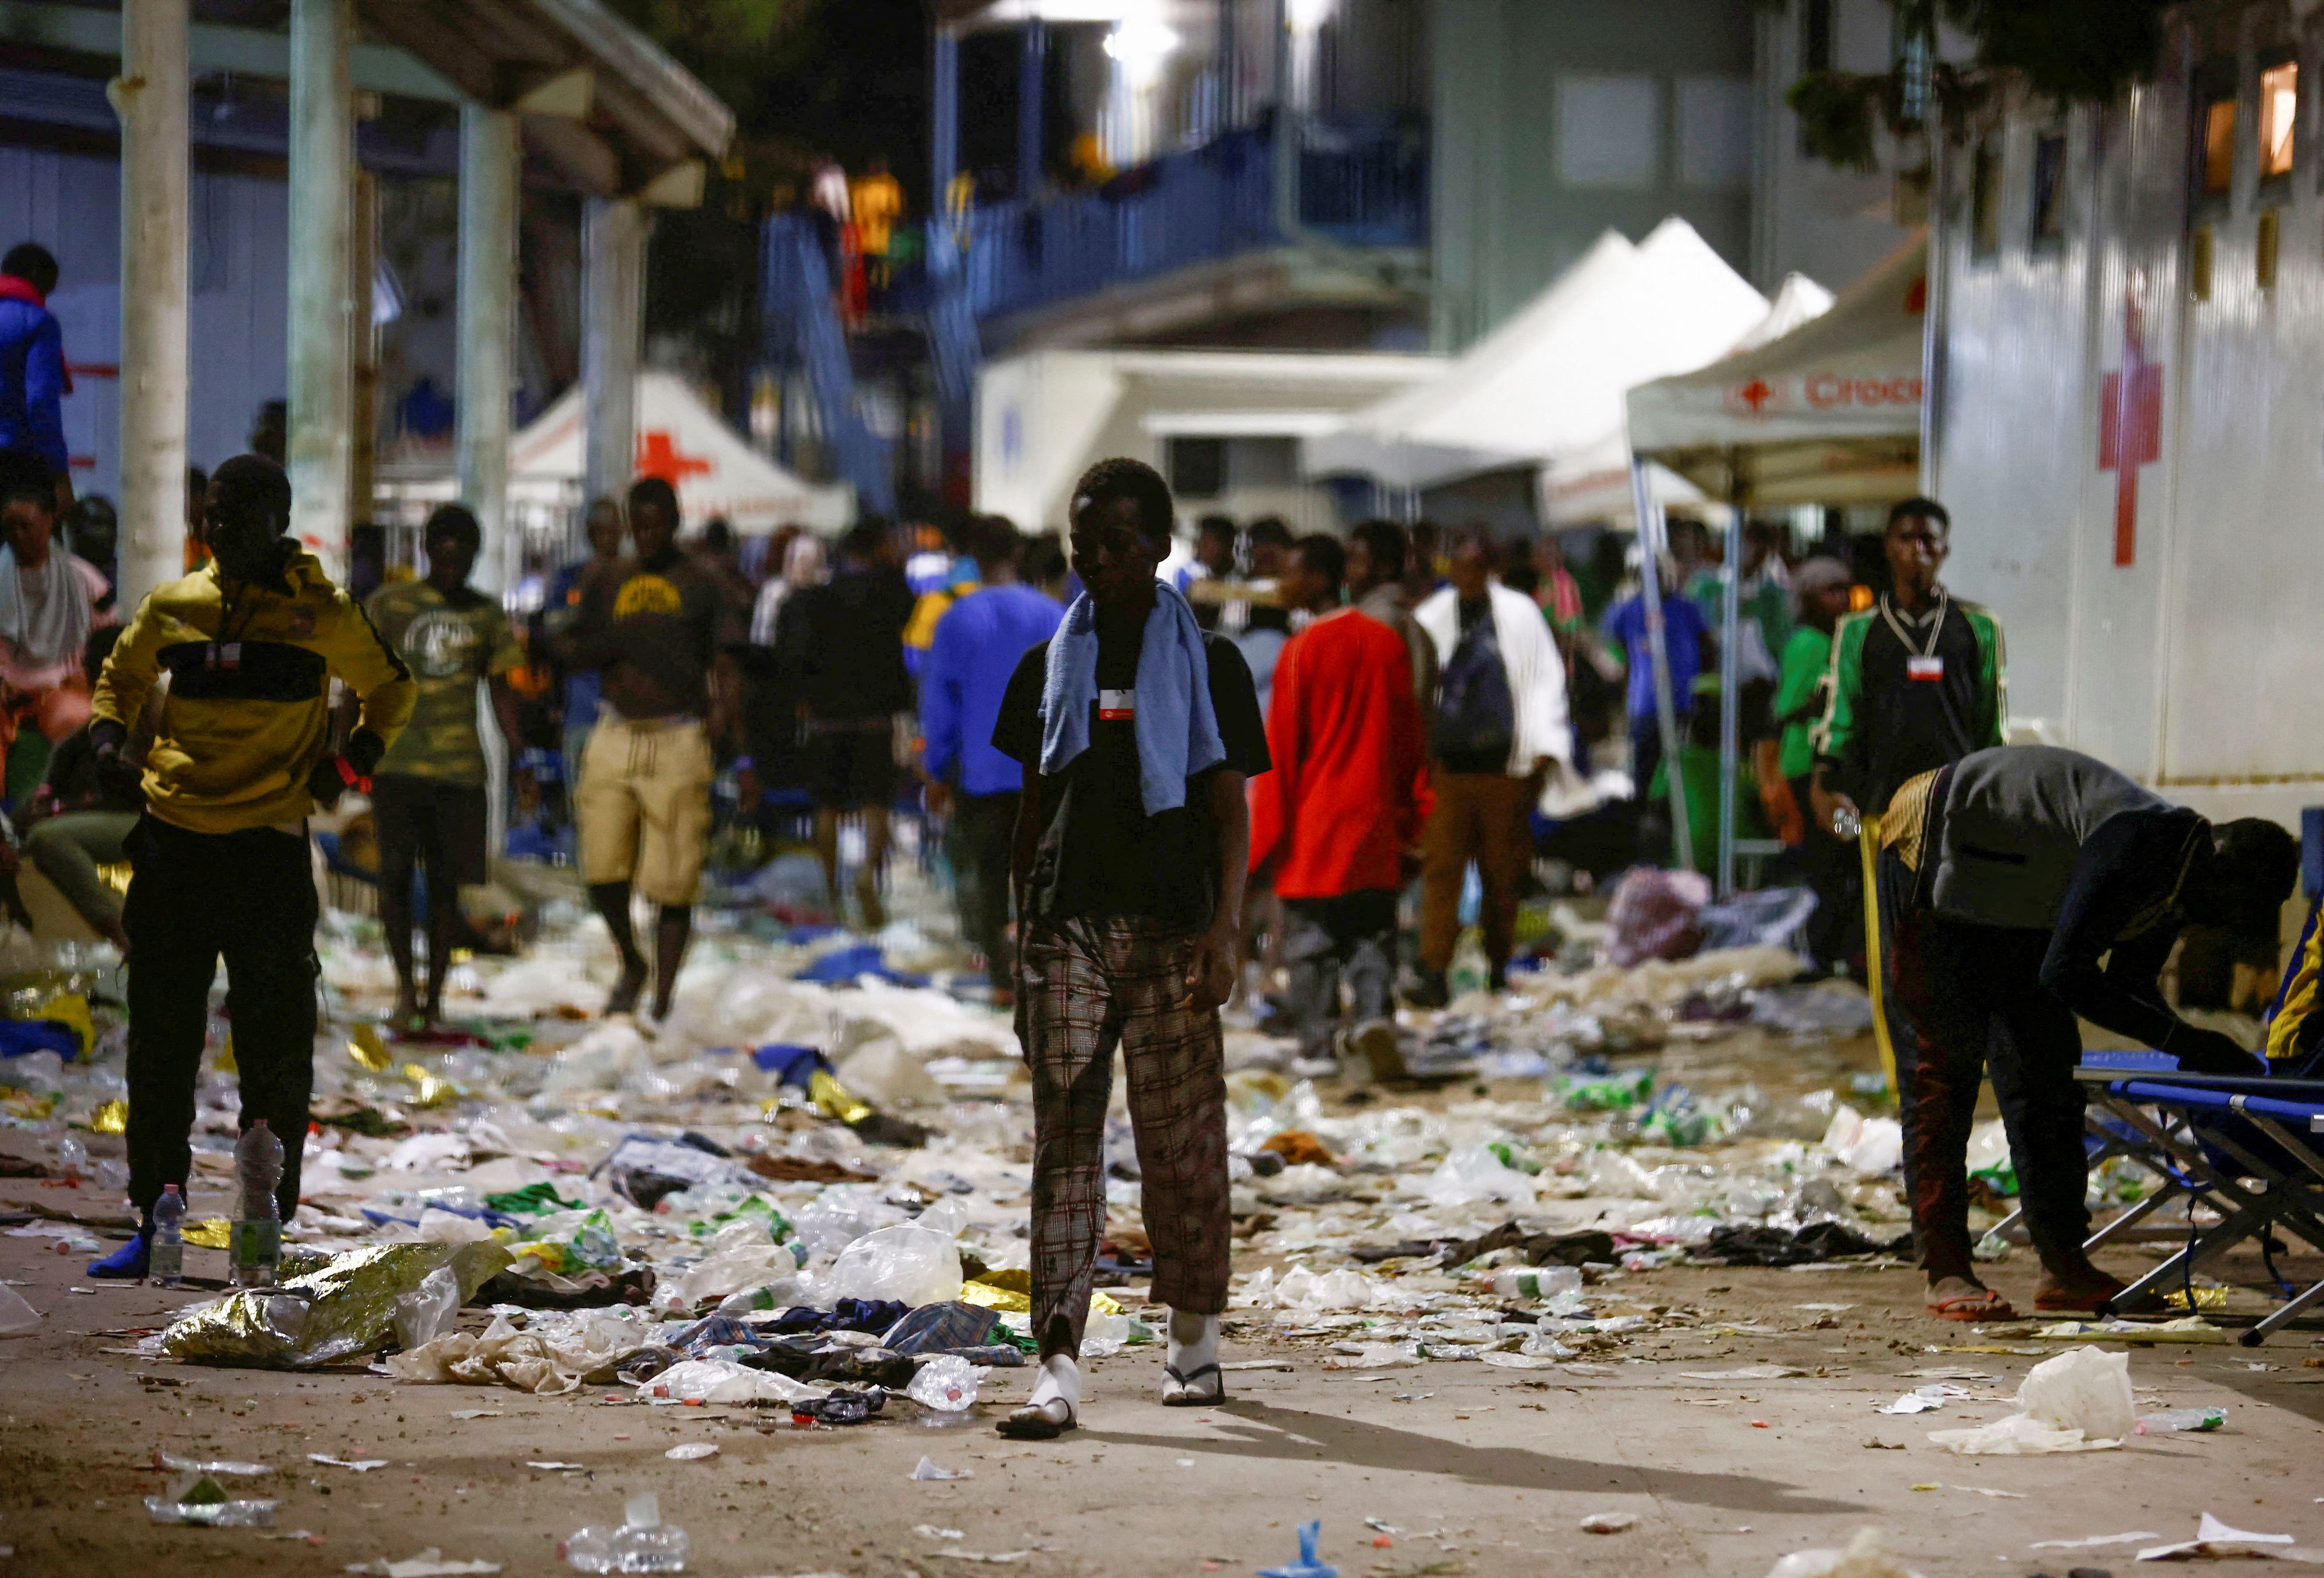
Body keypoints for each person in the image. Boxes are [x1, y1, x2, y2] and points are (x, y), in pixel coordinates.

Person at [990, 458, 1269, 1435]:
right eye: (1081, 548)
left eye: (1114, 546)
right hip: (1068, 929)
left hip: (1174, 932)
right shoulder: (1046, 667)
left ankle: (1192, 1341)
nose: (1095, 564)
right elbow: (1031, 814)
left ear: (1158, 547)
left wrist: (1228, 929)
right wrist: (1017, 931)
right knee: (1065, 1142)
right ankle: (1058, 1366)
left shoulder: (1216, 667)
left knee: (1181, 1143)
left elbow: (1231, 809)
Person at [86, 453, 416, 1279]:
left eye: (240, 517)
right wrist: (103, 742)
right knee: (161, 1042)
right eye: (214, 516)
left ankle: (261, 1232)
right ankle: (154, 1217)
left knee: (274, 1047)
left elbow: (393, 691)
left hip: (267, 851)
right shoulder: (177, 606)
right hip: (174, 847)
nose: (223, 531)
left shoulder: (324, 613)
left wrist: (348, 769)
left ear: (280, 523)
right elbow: (118, 680)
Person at [1871, 744, 2296, 1321]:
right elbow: (2066, 974)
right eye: (2229, 912)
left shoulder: (2180, 880)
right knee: (1946, 1071)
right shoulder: (2142, 844)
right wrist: (2187, 1043)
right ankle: (1946, 1269)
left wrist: (2196, 1045)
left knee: (2046, 1073)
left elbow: (2128, 984)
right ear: (2220, 870)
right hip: (1935, 839)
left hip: (2013, 893)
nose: (2217, 930)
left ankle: (2064, 1266)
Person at [1250, 533, 1425, 1074]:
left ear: (1321, 579)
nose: (1284, 585)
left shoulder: (1299, 653)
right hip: (1373, 819)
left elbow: (1279, 753)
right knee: (1372, 932)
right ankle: (1375, 1017)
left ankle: (1319, 1043)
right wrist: (1410, 816)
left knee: (1313, 944)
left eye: (1293, 573)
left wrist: (1260, 845)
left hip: (1315, 824)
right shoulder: (1384, 643)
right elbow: (1408, 739)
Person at [571, 476, 743, 1021]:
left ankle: (663, 995)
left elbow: (728, 657)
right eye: (636, 526)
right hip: (615, 729)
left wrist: (722, 715)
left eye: (655, 525)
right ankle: (631, 960)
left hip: (678, 733)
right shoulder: (607, 578)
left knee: (673, 878)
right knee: (601, 867)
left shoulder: (702, 582)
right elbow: (580, 641)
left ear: (674, 523)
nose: (644, 536)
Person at [365, 505, 526, 1032]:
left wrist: (520, 757)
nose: (452, 560)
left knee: (445, 890)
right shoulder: (391, 605)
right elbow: (362, 679)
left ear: (475, 555)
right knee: (392, 879)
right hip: (397, 764)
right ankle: (405, 990)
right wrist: (343, 750)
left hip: (459, 772)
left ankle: (433, 1001)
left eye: (463, 552)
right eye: (443, 549)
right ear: (426, 550)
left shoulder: (486, 615)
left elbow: (501, 694)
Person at [1411, 529, 1570, 1005]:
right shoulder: (1432, 616)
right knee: (1442, 872)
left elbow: (1545, 680)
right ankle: (1435, 969)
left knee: (1504, 873)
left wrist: (1544, 749)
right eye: (1460, 565)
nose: (1467, 574)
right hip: (1448, 770)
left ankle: (1499, 965)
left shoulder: (1520, 615)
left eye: (1476, 565)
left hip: (1506, 767)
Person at [920, 516, 1063, 998]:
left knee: (987, 876)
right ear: (1018, 553)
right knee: (1040, 878)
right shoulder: (1052, 614)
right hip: (1044, 770)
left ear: (972, 557)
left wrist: (936, 768)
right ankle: (1042, 969)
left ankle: (1004, 979)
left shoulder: (957, 618)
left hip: (980, 772)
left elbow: (941, 701)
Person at [1813, 497, 2005, 835]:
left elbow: (1990, 724)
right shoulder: (1857, 629)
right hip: (1876, 807)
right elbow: (1840, 718)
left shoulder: (1981, 626)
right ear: (1888, 547)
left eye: (1929, 539)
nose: (1918, 549)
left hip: (1955, 809)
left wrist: (1994, 800)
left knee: (1949, 889)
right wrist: (1824, 785)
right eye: (1906, 538)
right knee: (1877, 888)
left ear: (1945, 549)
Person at [778, 518, 914, 926]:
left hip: (827, 717)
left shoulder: (816, 599)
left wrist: (804, 699)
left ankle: (831, 890)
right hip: (875, 715)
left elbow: (795, 654)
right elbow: (908, 615)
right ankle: (866, 876)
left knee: (828, 806)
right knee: (876, 804)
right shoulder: (891, 593)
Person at [0, 625, 145, 951]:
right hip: (105, 817)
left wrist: (65, 810)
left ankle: (122, 935)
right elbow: (52, 782)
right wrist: (26, 817)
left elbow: (139, 794)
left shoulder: (150, 714)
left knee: (50, 837)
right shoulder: (97, 724)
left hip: (151, 820)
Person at [0, 450, 109, 801]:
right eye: (10, 527)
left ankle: (61, 810)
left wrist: (85, 676)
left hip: (63, 688)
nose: (19, 536)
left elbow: (111, 637)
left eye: (27, 526)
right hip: (7, 693)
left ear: (49, 521)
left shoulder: (83, 579)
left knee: (78, 719)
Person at [1770, 557, 1857, 972]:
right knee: (1834, 857)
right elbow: (1787, 706)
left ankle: (1834, 950)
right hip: (1809, 771)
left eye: (1845, 588)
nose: (1842, 598)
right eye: (1831, 590)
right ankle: (1823, 953)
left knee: (1845, 854)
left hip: (1827, 769)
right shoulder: (1810, 642)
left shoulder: (1836, 639)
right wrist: (1830, 700)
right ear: (1809, 597)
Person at [1601, 549, 1711, 838]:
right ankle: (1646, 837)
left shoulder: (1686, 607)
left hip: (1683, 702)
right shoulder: (1626, 610)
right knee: (1646, 774)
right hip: (1645, 703)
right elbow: (1617, 652)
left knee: (1680, 770)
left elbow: (1706, 644)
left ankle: (1680, 829)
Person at [547, 496, 628, 801]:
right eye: (599, 531)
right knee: (582, 807)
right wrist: (585, 593)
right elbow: (554, 634)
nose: (606, 538)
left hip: (628, 714)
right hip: (581, 711)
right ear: (590, 534)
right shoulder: (571, 578)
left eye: (613, 530)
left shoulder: (634, 577)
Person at [1346, 518, 1439, 736]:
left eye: (1356, 562)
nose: (1347, 571)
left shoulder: (1375, 624)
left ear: (1384, 569)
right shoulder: (1406, 621)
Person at [0, 243, 69, 512]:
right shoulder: (38, 322)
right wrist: (58, 474)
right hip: (16, 463)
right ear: (35, 277)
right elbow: (40, 401)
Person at [1177, 514, 1237, 632]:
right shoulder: (1193, 576)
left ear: (1226, 546)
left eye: (1208, 541)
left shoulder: (1237, 579)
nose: (1201, 545)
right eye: (1201, 539)